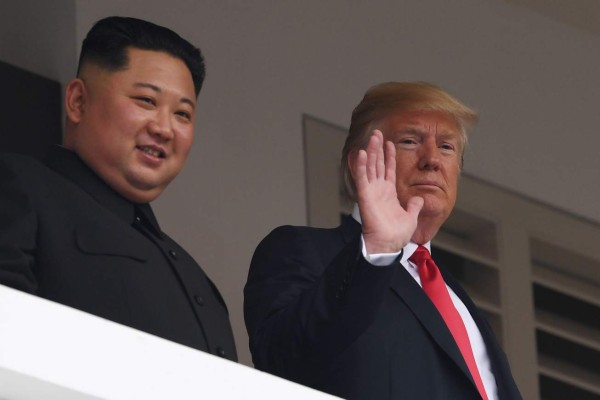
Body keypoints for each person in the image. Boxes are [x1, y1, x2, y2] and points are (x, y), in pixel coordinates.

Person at [244, 82, 521, 399]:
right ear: (358, 162)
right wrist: (376, 252)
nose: (432, 159)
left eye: (446, 147)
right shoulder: (303, 251)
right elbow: (281, 360)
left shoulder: (459, 299)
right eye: (409, 141)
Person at [0, 16, 236, 361]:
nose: (164, 128)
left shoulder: (192, 272)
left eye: (183, 114)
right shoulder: (21, 186)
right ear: (78, 101)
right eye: (146, 101)